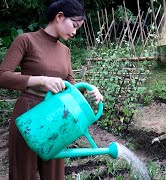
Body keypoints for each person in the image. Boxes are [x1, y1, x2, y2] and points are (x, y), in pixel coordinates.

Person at [0, 0, 103, 179]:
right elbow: (2, 76)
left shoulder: (65, 51)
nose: (75, 32)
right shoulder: (26, 40)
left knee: (54, 174)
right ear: (59, 17)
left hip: (58, 116)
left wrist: (91, 90)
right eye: (74, 25)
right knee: (23, 173)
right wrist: (40, 80)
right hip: (28, 114)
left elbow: (72, 86)